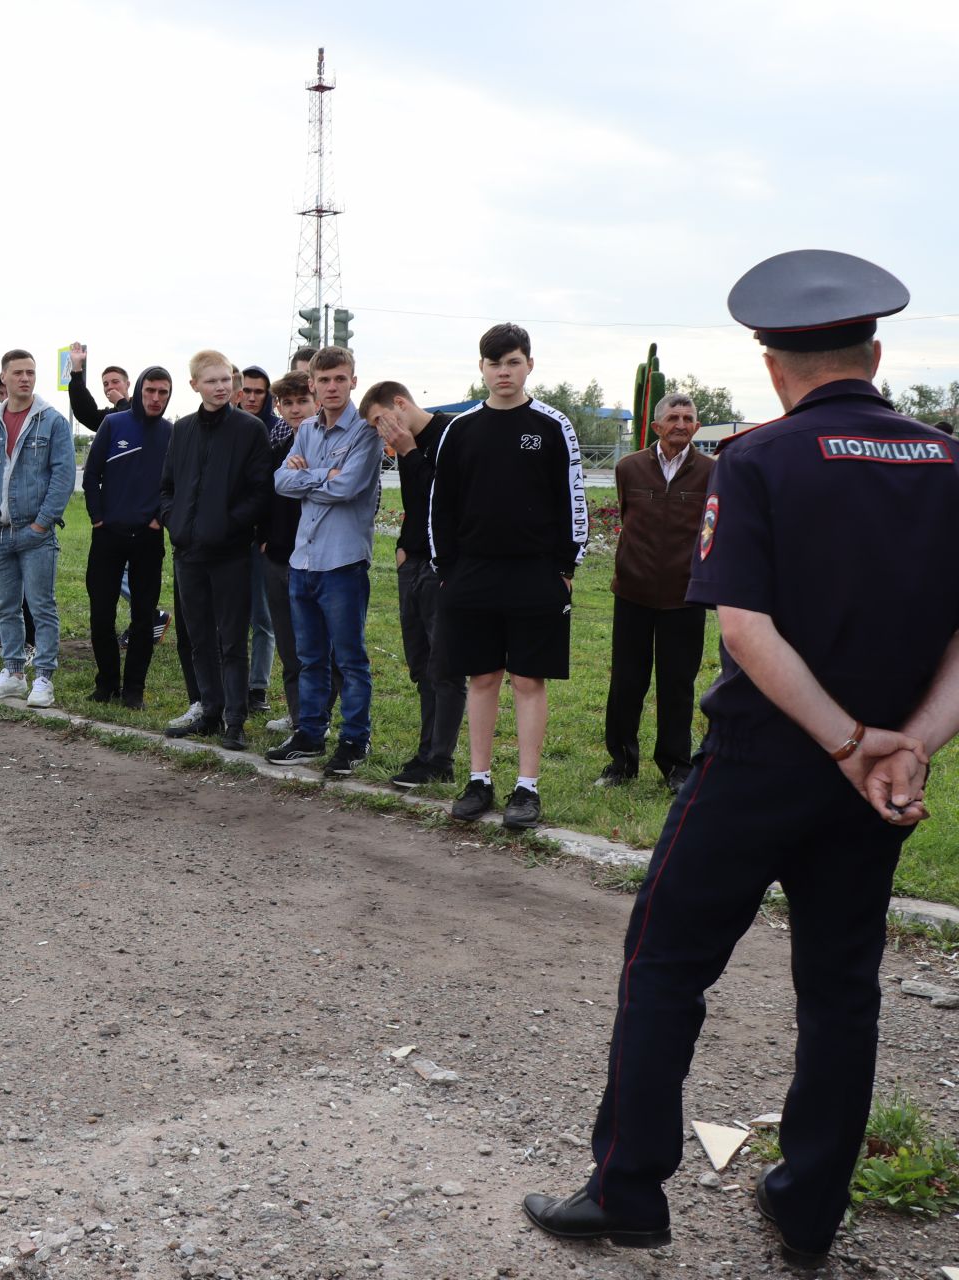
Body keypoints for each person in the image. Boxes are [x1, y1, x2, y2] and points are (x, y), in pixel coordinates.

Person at [522, 250, 947, 1269]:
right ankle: (807, 1208)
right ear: (876, 353)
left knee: (667, 962)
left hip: (762, 758)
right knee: (842, 985)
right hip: (879, 776)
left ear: (771, 364)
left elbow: (747, 629)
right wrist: (905, 747)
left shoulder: (757, 458)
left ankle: (627, 1188)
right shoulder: (945, 461)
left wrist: (841, 741)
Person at [429, 323, 586, 830]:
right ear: (482, 368)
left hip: (536, 573)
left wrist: (566, 567)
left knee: (527, 678)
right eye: (495, 363)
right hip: (471, 573)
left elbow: (573, 498)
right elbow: (442, 507)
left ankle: (527, 786)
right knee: (482, 677)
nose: (504, 371)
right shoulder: (461, 428)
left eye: (513, 362)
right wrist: (447, 569)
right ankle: (478, 780)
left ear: (529, 366)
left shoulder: (552, 425)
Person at [265, 349, 382, 772]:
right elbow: (280, 481)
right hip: (304, 561)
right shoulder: (308, 430)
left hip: (343, 563)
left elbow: (348, 487)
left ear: (353, 380)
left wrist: (306, 477)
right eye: (324, 380)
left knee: (349, 659)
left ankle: (354, 740)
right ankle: (310, 734)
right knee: (309, 657)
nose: (331, 387)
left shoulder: (366, 433)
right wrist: (320, 476)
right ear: (311, 383)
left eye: (340, 379)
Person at [599, 392, 715, 791]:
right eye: (673, 417)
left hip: (685, 596)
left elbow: (713, 531)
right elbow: (627, 518)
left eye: (688, 418)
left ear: (697, 427)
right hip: (632, 592)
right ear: (656, 426)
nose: (681, 424)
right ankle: (621, 763)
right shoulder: (628, 468)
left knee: (677, 683)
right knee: (627, 682)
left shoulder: (712, 472)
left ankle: (676, 767)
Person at [158, 352, 271, 751]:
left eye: (226, 380)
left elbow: (260, 491)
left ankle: (235, 720)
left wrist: (226, 525)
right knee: (199, 637)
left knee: (232, 640)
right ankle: (209, 709)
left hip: (230, 553)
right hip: (188, 553)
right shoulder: (182, 429)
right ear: (195, 386)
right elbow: (168, 486)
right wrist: (174, 521)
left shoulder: (249, 429)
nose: (221, 387)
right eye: (212, 381)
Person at [362, 380, 464, 787]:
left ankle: (442, 759)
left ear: (399, 404)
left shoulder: (450, 432)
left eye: (378, 421)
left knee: (446, 666)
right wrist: (405, 546)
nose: (379, 432)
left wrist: (407, 451)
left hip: (445, 567)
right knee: (421, 665)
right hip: (414, 564)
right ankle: (426, 752)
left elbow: (446, 498)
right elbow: (416, 504)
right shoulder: (405, 444)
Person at [0, 350, 73, 708]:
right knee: (5, 607)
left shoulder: (53, 421)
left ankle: (43, 678)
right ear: (4, 378)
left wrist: (43, 523)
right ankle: (13, 673)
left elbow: (62, 475)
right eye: (18, 373)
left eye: (31, 372)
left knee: (41, 606)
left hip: (35, 533)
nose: (25, 378)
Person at [82, 366, 173, 709]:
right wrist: (97, 518)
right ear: (139, 391)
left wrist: (157, 520)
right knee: (101, 613)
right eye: (150, 390)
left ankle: (134, 689)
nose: (156, 398)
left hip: (148, 538)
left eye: (163, 392)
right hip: (108, 535)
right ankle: (106, 683)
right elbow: (92, 475)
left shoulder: (171, 432)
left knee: (143, 615)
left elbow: (174, 486)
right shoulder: (114, 425)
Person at [256, 372, 313, 732]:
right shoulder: (276, 448)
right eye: (287, 403)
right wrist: (264, 537)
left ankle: (317, 714)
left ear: (316, 400)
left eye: (302, 401)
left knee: (321, 647)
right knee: (290, 646)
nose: (295, 409)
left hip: (317, 560)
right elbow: (262, 495)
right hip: (277, 556)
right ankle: (297, 714)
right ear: (278, 406)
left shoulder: (329, 446)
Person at [237, 365, 285, 716]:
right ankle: (230, 682)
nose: (252, 397)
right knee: (228, 614)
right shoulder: (228, 426)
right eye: (247, 390)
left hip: (262, 538)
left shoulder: (278, 429)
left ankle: (258, 688)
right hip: (227, 535)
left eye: (259, 392)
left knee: (262, 618)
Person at [65, 341, 130, 431]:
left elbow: (134, 423)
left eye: (115, 382)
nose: (110, 387)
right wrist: (76, 368)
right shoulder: (109, 417)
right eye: (105, 384)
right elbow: (86, 415)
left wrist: (121, 402)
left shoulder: (142, 406)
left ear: (127, 384)